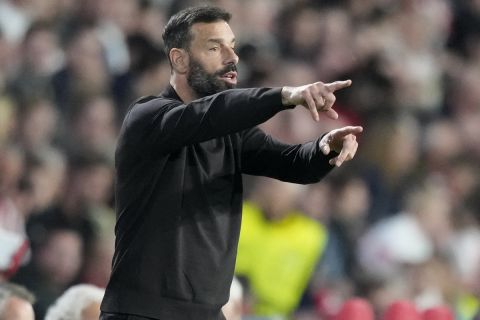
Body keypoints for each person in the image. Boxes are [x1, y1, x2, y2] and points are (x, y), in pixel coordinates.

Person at [100, 5, 362, 320]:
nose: (232, 57)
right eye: (214, 47)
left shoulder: (232, 134)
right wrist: (284, 95)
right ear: (179, 59)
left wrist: (324, 148)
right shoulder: (147, 117)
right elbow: (211, 114)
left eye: (233, 46)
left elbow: (292, 163)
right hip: (142, 313)